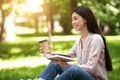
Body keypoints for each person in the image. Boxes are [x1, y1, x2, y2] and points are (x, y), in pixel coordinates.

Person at [36, 6, 113, 80]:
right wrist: (50, 54)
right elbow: (67, 56)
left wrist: (68, 66)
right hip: (81, 76)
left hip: (94, 78)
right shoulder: (79, 40)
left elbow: (91, 68)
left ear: (85, 19)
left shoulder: (96, 39)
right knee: (55, 64)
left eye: (75, 19)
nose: (73, 22)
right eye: (72, 20)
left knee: (74, 69)